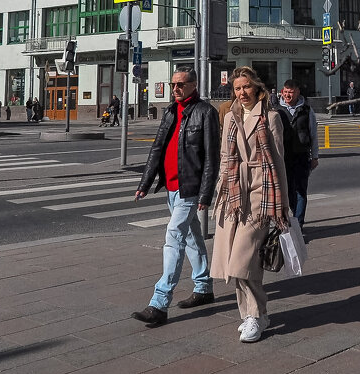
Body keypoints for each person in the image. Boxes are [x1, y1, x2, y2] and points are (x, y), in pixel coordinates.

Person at [131, 68, 220, 328]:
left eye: (181, 84)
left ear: (194, 84)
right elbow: (157, 149)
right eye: (173, 84)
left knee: (174, 237)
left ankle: (159, 303)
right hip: (170, 188)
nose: (176, 89)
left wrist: (206, 192)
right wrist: (145, 183)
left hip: (189, 188)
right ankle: (203, 287)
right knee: (192, 236)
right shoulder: (170, 111)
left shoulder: (206, 112)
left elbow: (212, 158)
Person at [211, 66, 290, 343]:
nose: (242, 93)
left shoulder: (271, 118)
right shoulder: (230, 117)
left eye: (246, 87)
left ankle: (255, 316)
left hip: (261, 193)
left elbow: (279, 163)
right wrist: (219, 195)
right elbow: (224, 157)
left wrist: (283, 205)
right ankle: (252, 316)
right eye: (237, 88)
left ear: (257, 88)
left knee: (241, 260)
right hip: (233, 196)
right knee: (237, 262)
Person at [276, 80, 319, 226]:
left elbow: (313, 134)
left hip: (301, 156)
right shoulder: (276, 110)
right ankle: (293, 218)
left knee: (301, 191)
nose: (288, 95)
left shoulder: (307, 110)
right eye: (286, 92)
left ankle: (298, 224)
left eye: (291, 92)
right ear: (282, 92)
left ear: (297, 92)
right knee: (287, 191)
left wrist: (315, 156)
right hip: (283, 157)